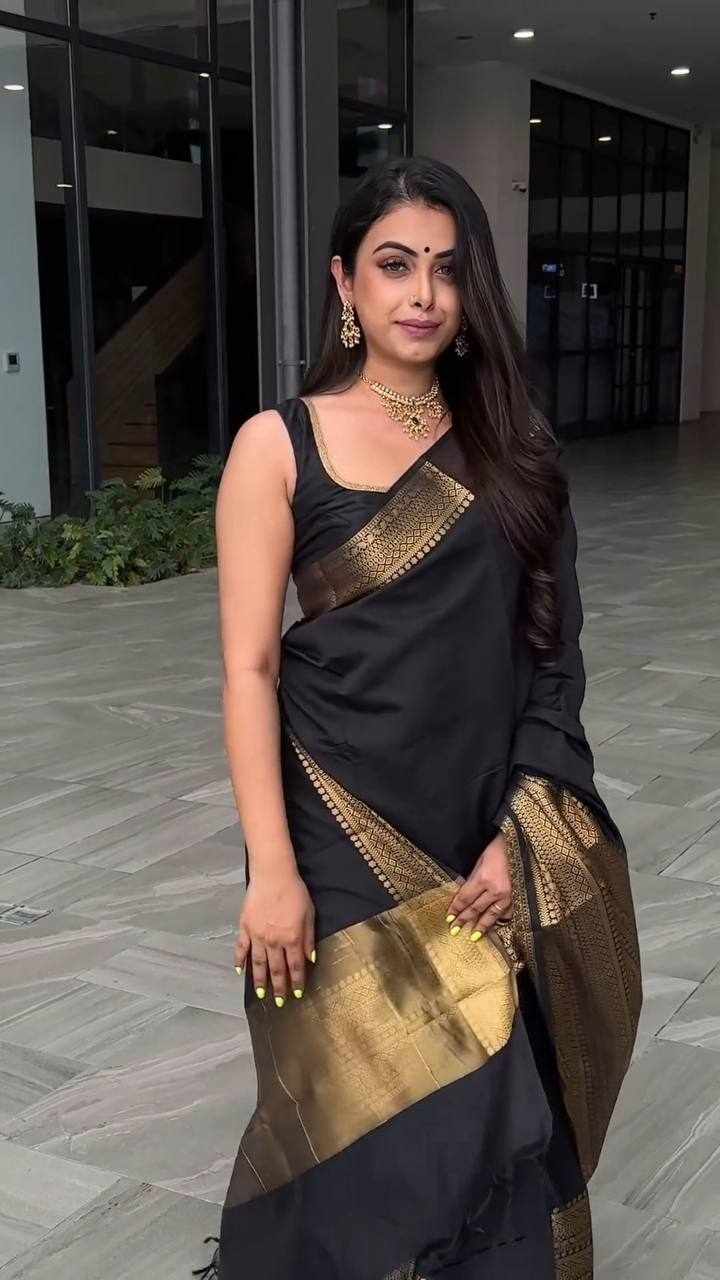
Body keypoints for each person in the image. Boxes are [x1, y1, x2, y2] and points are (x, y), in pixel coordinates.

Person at [195, 156, 642, 1280]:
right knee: (360, 1114)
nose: (424, 294)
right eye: (395, 265)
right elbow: (248, 668)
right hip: (336, 823)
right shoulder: (278, 444)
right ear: (344, 281)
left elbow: (554, 657)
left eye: (447, 268)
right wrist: (271, 870)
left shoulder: (516, 447)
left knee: (492, 1107)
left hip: (481, 822)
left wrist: (524, 831)